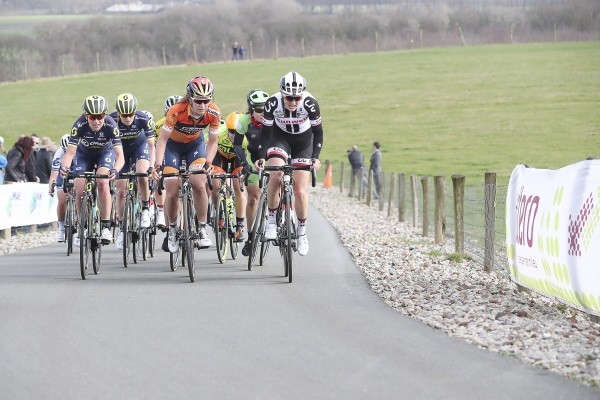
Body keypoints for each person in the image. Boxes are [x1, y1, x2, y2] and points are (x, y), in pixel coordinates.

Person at [255, 71, 323, 257]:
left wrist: (315, 157)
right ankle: (270, 221)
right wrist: (262, 156)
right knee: (276, 175)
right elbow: (266, 132)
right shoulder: (272, 103)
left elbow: (318, 133)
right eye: (289, 98)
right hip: (280, 138)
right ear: (282, 94)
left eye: (296, 98)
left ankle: (301, 233)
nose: (293, 102)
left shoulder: (310, 103)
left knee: (300, 190)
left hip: (303, 142)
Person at [153, 76, 221, 253]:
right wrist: (158, 165)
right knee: (172, 189)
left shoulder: (213, 112)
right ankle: (173, 229)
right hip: (173, 148)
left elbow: (213, 142)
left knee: (199, 183)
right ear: (190, 98)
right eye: (199, 100)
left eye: (207, 100)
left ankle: (202, 228)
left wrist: (208, 162)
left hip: (195, 146)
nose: (203, 105)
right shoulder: (176, 111)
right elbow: (162, 141)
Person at [60, 95, 124, 245]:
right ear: (85, 115)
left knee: (102, 181)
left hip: (104, 154)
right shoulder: (79, 125)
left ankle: (106, 226)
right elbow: (70, 153)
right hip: (84, 155)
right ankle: (83, 224)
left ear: (105, 115)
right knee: (79, 185)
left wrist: (115, 169)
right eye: (92, 117)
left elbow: (120, 155)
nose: (96, 121)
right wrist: (65, 167)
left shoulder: (111, 125)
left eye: (100, 116)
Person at [109, 93, 155, 250]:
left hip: (139, 147)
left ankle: (145, 209)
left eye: (130, 114)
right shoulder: (111, 120)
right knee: (121, 191)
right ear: (118, 113)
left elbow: (151, 145)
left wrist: (152, 166)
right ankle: (122, 227)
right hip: (121, 151)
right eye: (124, 115)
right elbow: (107, 145)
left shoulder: (142, 119)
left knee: (142, 173)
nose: (128, 118)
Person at [233, 88, 269, 256]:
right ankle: (251, 236)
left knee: (282, 182)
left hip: (272, 155)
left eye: (266, 109)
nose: (263, 113)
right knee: (253, 197)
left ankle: (281, 217)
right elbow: (237, 145)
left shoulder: (274, 120)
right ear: (251, 110)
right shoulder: (244, 121)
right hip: (253, 158)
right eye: (259, 110)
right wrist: (244, 165)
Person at [209, 111, 248, 243]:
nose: (234, 135)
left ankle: (240, 226)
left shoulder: (246, 138)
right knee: (214, 185)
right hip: (220, 158)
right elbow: (207, 144)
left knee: (239, 187)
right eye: (231, 131)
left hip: (237, 159)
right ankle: (218, 211)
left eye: (236, 132)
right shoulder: (219, 132)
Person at [153, 95, 182, 229]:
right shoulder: (158, 125)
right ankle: (168, 223)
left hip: (184, 155)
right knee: (169, 189)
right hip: (166, 156)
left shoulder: (188, 122)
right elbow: (153, 146)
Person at [48, 134, 71, 242]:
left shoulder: (82, 149)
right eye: (65, 150)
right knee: (62, 200)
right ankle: (61, 227)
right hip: (62, 174)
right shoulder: (59, 153)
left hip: (77, 170)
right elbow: (53, 174)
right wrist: (51, 187)